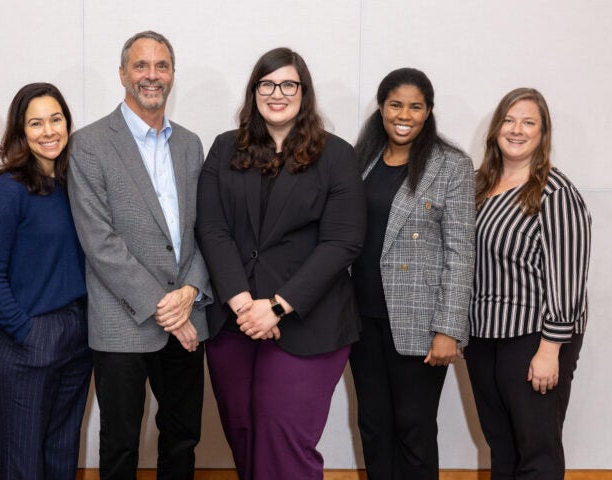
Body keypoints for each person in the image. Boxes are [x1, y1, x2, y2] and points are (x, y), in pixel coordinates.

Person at [195, 47, 366, 480]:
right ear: (254, 91)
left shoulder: (336, 155)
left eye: (288, 84)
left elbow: (341, 243)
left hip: (310, 322)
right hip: (235, 322)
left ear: (304, 93)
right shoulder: (224, 149)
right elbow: (213, 230)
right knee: (243, 431)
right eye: (267, 84)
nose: (277, 93)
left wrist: (275, 307)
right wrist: (244, 306)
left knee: (282, 437)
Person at [67, 31, 212, 480]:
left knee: (183, 438)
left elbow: (204, 230)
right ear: (122, 74)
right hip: (122, 322)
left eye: (161, 66)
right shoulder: (89, 143)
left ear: (172, 74)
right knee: (120, 445)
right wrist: (166, 307)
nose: (152, 75)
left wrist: (190, 290)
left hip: (187, 316)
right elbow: (100, 242)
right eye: (141, 65)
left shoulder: (190, 144)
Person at [348, 67, 475, 480]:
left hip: (420, 323)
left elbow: (461, 251)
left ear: (428, 112)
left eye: (415, 107)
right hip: (361, 320)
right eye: (396, 105)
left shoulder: (451, 166)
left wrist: (449, 328)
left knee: (414, 429)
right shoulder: (360, 160)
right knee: (373, 427)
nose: (404, 115)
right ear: (381, 108)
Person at [467, 88, 591, 479]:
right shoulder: (480, 186)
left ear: (542, 133)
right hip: (483, 335)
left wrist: (550, 350)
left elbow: (569, 276)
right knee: (501, 448)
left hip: (534, 337)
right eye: (508, 120)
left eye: (528, 122)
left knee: (537, 450)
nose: (516, 129)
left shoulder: (555, 192)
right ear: (496, 129)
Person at [0, 83, 91, 480]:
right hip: (30, 338)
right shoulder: (11, 188)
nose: (48, 131)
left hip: (79, 335)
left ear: (67, 123)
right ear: (21, 132)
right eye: (36, 123)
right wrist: (24, 330)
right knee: (23, 462)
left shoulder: (75, 184)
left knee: (62, 454)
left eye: (56, 119)